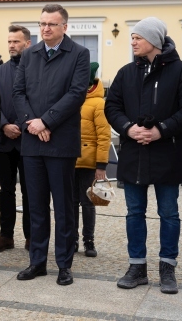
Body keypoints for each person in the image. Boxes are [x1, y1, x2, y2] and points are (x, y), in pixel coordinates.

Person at [105, 17, 182, 294]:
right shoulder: (126, 72)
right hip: (134, 154)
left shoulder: (181, 72)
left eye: (138, 37)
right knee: (134, 213)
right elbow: (112, 106)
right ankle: (137, 266)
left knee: (169, 213)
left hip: (167, 152)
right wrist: (129, 129)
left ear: (153, 40)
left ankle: (167, 267)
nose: (133, 42)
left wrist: (160, 130)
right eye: (132, 37)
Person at [12, 4, 89, 286]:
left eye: (52, 24)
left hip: (60, 143)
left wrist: (47, 122)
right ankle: (37, 262)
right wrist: (32, 122)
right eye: (42, 23)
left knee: (64, 207)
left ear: (64, 27)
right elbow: (18, 92)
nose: (45, 28)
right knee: (36, 205)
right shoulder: (29, 54)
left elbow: (76, 93)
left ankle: (64, 265)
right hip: (32, 142)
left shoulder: (79, 54)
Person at [0, 25, 31, 252]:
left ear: (27, 43)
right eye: (9, 41)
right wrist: (3, 125)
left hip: (29, 140)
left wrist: (21, 125)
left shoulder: (36, 69)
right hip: (4, 141)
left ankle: (32, 236)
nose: (11, 45)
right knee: (5, 190)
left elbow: (38, 101)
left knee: (31, 191)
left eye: (16, 42)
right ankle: (6, 235)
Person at [73, 62, 111, 257]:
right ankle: (71, 240)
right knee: (70, 204)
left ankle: (89, 241)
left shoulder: (98, 103)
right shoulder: (70, 98)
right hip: (68, 160)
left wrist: (101, 165)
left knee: (88, 204)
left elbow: (104, 136)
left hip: (88, 162)